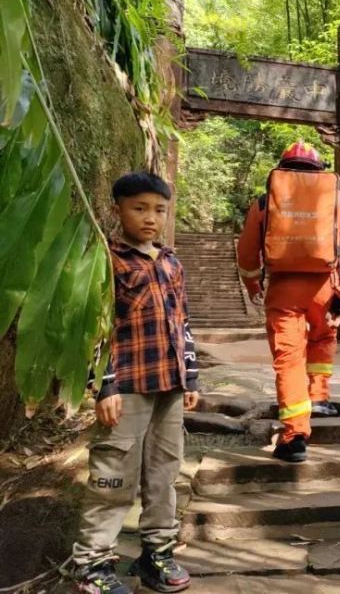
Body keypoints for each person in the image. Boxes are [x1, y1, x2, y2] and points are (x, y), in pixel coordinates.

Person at [73, 172, 199, 594]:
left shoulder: (170, 261)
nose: (150, 218)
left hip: (170, 385)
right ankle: (92, 563)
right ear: (117, 209)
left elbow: (182, 323)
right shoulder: (106, 261)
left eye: (159, 210)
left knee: (164, 472)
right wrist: (104, 386)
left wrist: (191, 375)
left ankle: (156, 553)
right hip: (126, 387)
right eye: (139, 208)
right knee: (113, 475)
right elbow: (94, 328)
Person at [237, 141, 340, 462]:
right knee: (324, 339)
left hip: (283, 289)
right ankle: (319, 397)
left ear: (282, 168)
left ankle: (295, 434)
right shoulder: (336, 199)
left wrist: (253, 282)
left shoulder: (265, 201)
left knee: (289, 358)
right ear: (319, 170)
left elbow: (247, 250)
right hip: (325, 286)